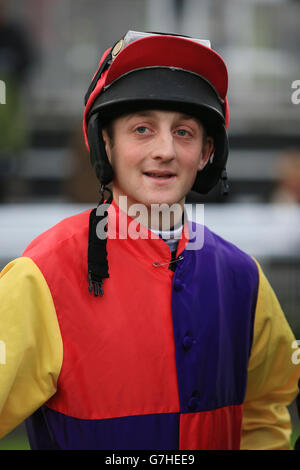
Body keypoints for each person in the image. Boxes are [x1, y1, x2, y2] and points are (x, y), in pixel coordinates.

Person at [0, 31, 299, 451]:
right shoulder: (40, 276)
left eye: (184, 132)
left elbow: (265, 414)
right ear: (106, 142)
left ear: (208, 152)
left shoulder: (244, 277)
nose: (164, 150)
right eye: (142, 129)